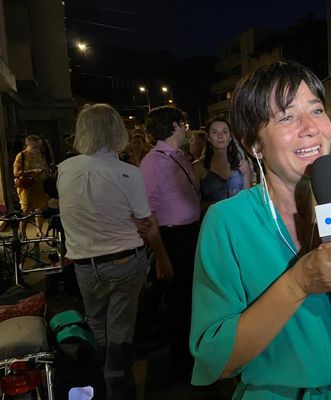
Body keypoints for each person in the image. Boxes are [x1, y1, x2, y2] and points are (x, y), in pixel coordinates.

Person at [190, 61, 331, 399]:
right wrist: (298, 283)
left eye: (317, 110)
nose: (311, 128)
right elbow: (218, 360)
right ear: (253, 142)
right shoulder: (227, 222)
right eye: (286, 116)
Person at [57, 103, 151, 399]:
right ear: (116, 131)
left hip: (85, 265)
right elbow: (143, 219)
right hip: (124, 260)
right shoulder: (127, 173)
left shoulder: (65, 169)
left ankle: (94, 386)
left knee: (96, 328)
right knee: (121, 333)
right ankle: (117, 390)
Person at [139, 105, 201, 380]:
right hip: (173, 237)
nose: (186, 129)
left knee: (190, 300)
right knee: (179, 303)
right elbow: (147, 211)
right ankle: (182, 364)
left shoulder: (179, 156)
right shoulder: (153, 162)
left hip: (189, 234)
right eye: (183, 124)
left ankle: (191, 355)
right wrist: (162, 256)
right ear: (175, 125)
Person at [199, 118, 251, 209]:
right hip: (213, 220)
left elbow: (247, 198)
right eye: (214, 132)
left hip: (238, 217)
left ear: (230, 137)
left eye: (225, 132)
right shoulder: (199, 167)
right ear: (208, 138)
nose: (220, 136)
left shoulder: (242, 164)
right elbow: (194, 204)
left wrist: (246, 174)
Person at [13, 134, 49, 238]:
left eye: (38, 147)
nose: (37, 149)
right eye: (34, 147)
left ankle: (39, 231)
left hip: (39, 185)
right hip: (27, 187)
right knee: (25, 210)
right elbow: (16, 173)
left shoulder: (39, 154)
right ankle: (23, 234)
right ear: (27, 145)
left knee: (40, 209)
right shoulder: (21, 156)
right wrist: (32, 172)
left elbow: (44, 165)